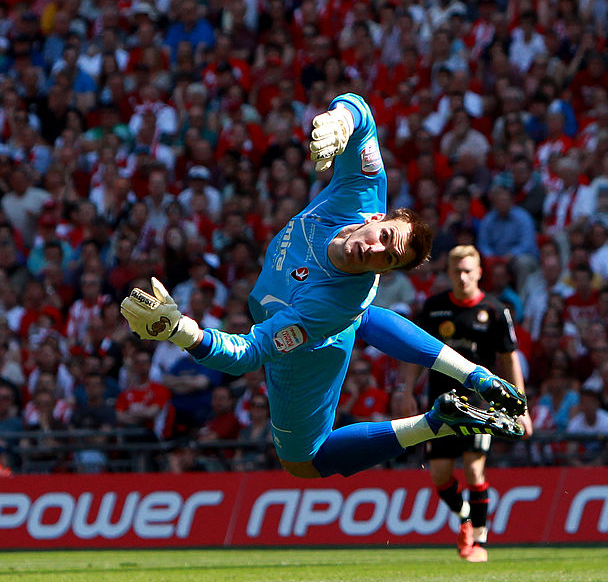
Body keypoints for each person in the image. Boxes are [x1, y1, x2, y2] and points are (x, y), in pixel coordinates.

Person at [121, 94, 527, 483]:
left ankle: (434, 424)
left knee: (303, 463)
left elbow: (249, 354)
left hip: (311, 346)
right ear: (376, 218)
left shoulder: (328, 305)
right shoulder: (363, 190)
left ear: (386, 272)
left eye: (387, 259)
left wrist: (182, 332)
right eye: (385, 236)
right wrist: (341, 119)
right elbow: (362, 112)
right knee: (361, 313)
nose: (375, 249)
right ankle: (474, 375)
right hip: (326, 309)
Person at [398, 245, 532, 563]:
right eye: (457, 271)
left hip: (481, 405)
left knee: (474, 469)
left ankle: (479, 541)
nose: (462, 277)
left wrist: (521, 407)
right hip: (441, 403)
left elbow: (509, 359)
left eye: (468, 271)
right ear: (448, 272)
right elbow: (415, 352)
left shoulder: (495, 310)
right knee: (440, 476)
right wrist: (406, 392)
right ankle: (466, 516)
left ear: (479, 272)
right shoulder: (434, 308)